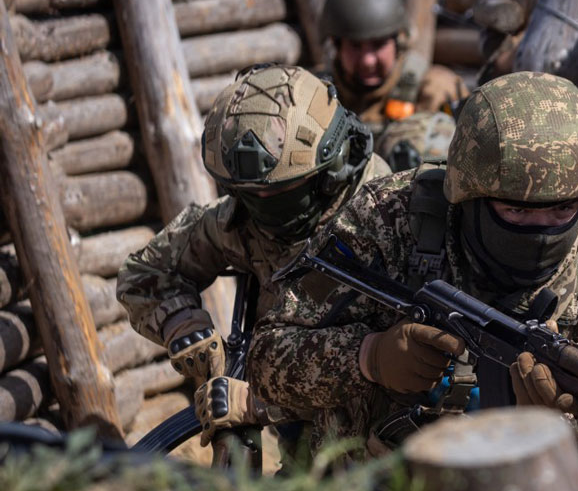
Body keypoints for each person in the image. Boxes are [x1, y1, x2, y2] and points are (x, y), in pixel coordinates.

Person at [238, 71, 578, 491]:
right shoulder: (388, 218)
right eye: (515, 211)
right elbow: (267, 360)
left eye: (562, 210)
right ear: (469, 195)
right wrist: (368, 357)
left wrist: (568, 423)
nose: (541, 230)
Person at [116, 64, 391, 438]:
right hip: (300, 450)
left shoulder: (387, 224)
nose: (263, 206)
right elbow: (144, 273)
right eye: (249, 194)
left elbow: (388, 368)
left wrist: (258, 403)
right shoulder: (241, 220)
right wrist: (181, 322)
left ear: (333, 168)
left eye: (280, 193)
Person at [318, 0, 467, 167]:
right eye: (355, 46)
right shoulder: (318, 93)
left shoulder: (436, 89)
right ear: (337, 45)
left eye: (378, 45)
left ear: (397, 42)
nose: (368, 61)